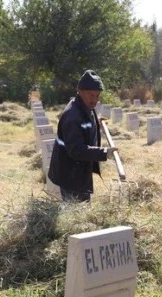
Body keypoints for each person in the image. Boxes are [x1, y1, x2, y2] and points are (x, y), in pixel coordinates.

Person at [48, 70, 117, 202]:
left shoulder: (84, 106)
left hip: (78, 170)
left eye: (97, 96)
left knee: (82, 208)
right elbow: (76, 150)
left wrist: (97, 122)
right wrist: (104, 152)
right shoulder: (73, 116)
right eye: (91, 95)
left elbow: (86, 121)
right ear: (80, 91)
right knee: (75, 214)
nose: (95, 100)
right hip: (70, 174)